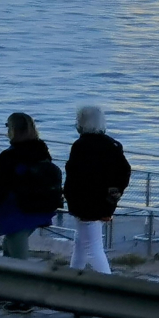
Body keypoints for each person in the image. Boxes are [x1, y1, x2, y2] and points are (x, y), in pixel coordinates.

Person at [0, 112, 61, 312]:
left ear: (13, 130)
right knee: (9, 249)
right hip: (38, 208)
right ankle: (8, 291)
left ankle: (24, 299)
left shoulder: (10, 156)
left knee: (18, 257)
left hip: (17, 210)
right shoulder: (41, 150)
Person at [63, 105, 131, 275]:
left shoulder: (80, 146)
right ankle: (72, 276)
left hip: (85, 203)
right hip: (105, 202)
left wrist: (68, 197)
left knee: (93, 248)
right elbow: (123, 173)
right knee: (81, 242)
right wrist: (112, 198)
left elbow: (74, 177)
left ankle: (108, 287)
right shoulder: (113, 145)